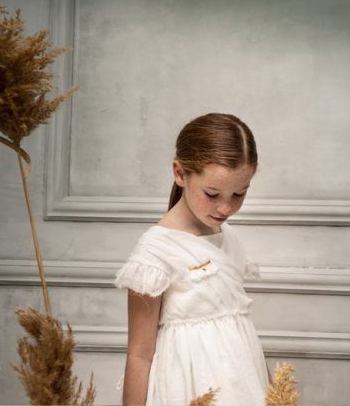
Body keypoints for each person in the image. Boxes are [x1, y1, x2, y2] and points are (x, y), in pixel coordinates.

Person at [114, 113, 272, 405]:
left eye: (239, 194)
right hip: (188, 387)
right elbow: (139, 354)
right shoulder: (156, 251)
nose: (226, 208)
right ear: (180, 173)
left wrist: (274, 394)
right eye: (212, 194)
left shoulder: (229, 238)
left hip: (241, 383)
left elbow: (240, 329)